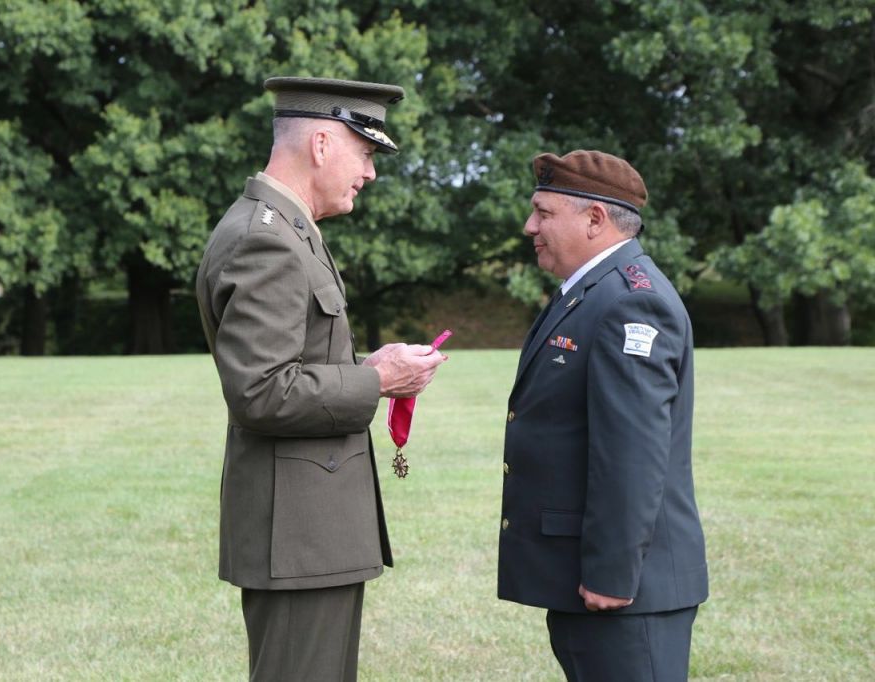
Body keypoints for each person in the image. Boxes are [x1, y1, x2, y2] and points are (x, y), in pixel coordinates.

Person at [195, 76, 447, 681]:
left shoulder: (286, 228)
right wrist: (376, 381)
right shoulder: (268, 240)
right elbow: (261, 392)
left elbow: (292, 366)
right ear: (322, 144)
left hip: (306, 533)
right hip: (297, 535)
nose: (370, 173)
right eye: (365, 153)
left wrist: (369, 370)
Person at [498, 150, 708, 681]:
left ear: (594, 219)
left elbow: (632, 453)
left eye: (543, 212)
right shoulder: (589, 292)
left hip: (625, 593)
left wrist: (611, 572)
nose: (530, 227)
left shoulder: (630, 302)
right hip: (588, 583)